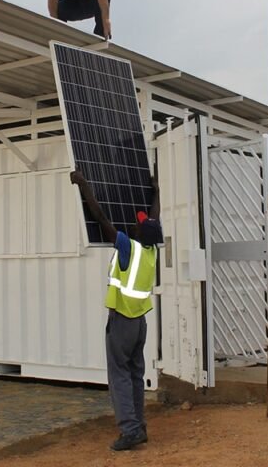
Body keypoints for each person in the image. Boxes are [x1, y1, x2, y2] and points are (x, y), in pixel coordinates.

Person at [69, 168, 160, 451]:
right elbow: (154, 217)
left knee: (119, 375)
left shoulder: (127, 248)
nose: (136, 222)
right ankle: (139, 425)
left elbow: (101, 218)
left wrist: (84, 186)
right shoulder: (150, 250)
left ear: (138, 233)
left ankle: (130, 431)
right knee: (134, 374)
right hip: (140, 323)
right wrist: (156, 191)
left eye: (138, 224)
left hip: (121, 321)